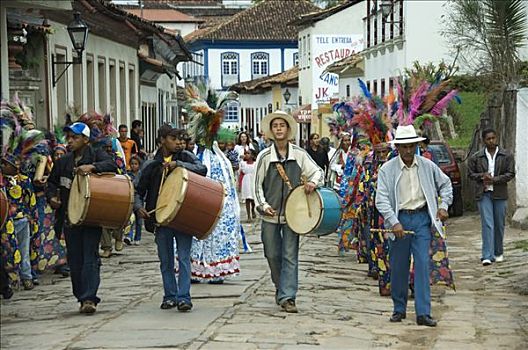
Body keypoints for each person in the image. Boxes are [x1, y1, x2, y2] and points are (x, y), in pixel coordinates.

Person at [375, 125, 452, 327]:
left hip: (421, 219)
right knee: (399, 266)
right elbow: (381, 199)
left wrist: (443, 206)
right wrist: (393, 221)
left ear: (417, 145)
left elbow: (446, 185)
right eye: (404, 147)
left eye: (412, 146)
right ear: (398, 148)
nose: (409, 151)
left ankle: (423, 313)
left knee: (422, 265)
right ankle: (399, 309)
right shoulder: (387, 169)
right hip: (399, 219)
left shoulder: (427, 166)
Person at [254, 110, 324, 313]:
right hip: (270, 215)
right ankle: (280, 287)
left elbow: (317, 171)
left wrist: (312, 182)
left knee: (290, 255)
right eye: (275, 126)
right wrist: (263, 205)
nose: (278, 129)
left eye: (282, 126)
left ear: (288, 130)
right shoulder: (264, 156)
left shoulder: (300, 154)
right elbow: (257, 186)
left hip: (294, 216)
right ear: (271, 130)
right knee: (272, 254)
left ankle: (288, 296)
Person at [47, 122, 117, 314]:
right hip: (70, 218)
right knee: (75, 260)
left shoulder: (96, 154)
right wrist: (52, 197)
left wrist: (93, 167)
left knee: (90, 258)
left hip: (91, 216)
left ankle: (89, 298)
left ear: (85, 140)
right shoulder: (62, 162)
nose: (70, 141)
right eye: (69, 137)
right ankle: (81, 295)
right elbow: (52, 183)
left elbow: (113, 165)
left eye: (75, 137)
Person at [134, 124, 207, 311]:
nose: (177, 143)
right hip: (160, 218)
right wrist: (139, 207)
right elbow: (138, 190)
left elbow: (202, 168)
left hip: (183, 216)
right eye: (172, 139)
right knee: (166, 260)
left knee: (183, 258)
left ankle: (184, 297)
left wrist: (179, 165)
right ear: (162, 141)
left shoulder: (185, 156)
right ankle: (169, 295)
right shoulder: (151, 164)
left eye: (178, 139)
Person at [468, 128, 515, 266]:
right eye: (488, 139)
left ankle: (498, 252)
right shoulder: (476, 157)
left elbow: (511, 173)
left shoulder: (506, 155)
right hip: (484, 194)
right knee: (488, 224)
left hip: (500, 193)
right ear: (483, 140)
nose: (491, 141)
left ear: (497, 138)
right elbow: (470, 173)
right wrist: (483, 176)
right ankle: (487, 255)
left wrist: (494, 179)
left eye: (493, 138)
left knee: (499, 224)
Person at [124, 156, 143, 246]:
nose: (133, 166)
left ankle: (137, 237)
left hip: (139, 197)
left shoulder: (142, 174)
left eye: (136, 164)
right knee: (130, 218)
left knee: (139, 220)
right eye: (132, 164)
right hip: (130, 197)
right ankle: (129, 236)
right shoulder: (127, 175)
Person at [240, 150, 257, 222]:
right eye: (245, 153)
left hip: (253, 180)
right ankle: (248, 216)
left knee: (253, 198)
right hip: (246, 181)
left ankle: (253, 209)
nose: (246, 155)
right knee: (247, 198)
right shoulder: (243, 164)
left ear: (252, 155)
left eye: (248, 153)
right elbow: (241, 173)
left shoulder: (255, 164)